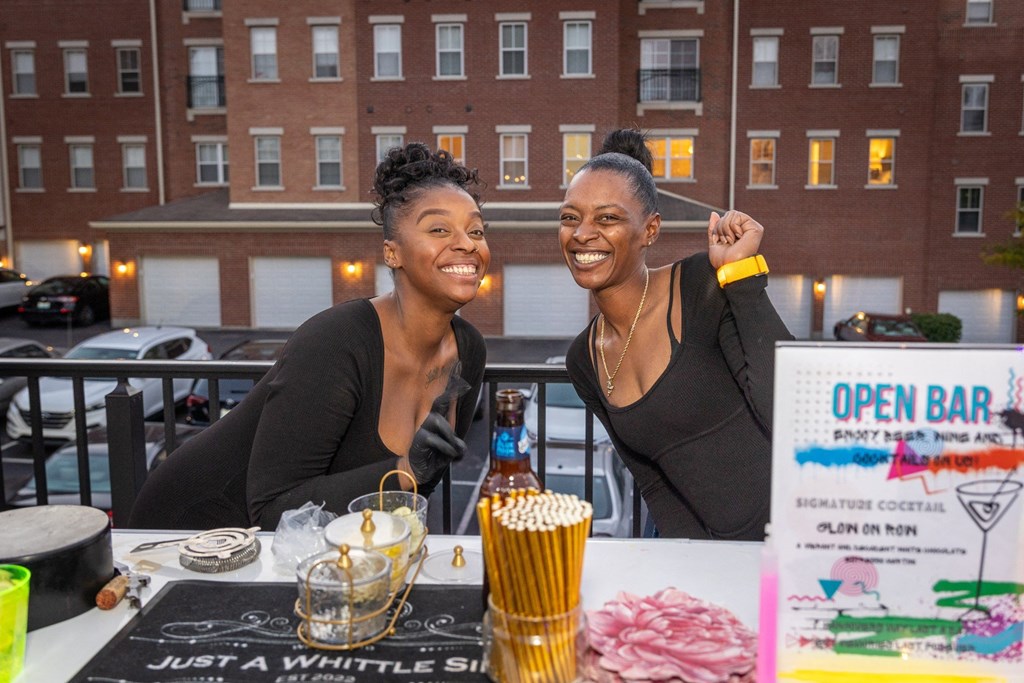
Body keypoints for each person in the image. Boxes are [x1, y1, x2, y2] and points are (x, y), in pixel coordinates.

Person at [129, 143, 489, 530]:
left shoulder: (468, 350)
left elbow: (417, 491)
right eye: (439, 229)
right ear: (391, 253)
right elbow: (272, 511)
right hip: (194, 532)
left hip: (319, 552)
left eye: (476, 230)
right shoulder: (336, 342)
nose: (467, 243)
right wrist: (402, 471)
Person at [559, 129, 793, 540]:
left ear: (649, 230)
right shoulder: (583, 360)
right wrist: (691, 562)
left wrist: (738, 275)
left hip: (790, 538)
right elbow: (653, 483)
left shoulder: (701, 286)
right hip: (709, 556)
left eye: (607, 218)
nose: (582, 234)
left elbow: (791, 405)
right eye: (570, 217)